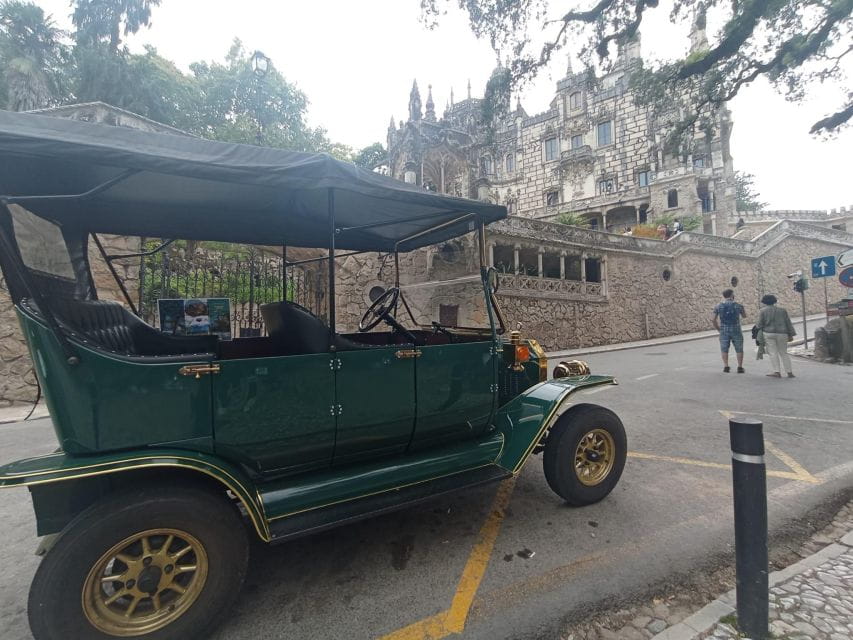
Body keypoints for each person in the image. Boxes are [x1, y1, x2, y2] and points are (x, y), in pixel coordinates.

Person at [755, 294, 796, 378]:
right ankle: (789, 372)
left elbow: (759, 325)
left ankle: (777, 372)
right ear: (774, 301)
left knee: (773, 353)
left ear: (764, 302)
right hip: (782, 333)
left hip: (768, 333)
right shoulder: (782, 310)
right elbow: (788, 323)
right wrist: (791, 334)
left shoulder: (762, 311)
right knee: (784, 352)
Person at [712, 289, 747, 373]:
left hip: (724, 330)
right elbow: (744, 316)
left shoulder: (718, 306)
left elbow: (713, 319)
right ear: (732, 295)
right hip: (736, 330)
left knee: (724, 348)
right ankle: (740, 367)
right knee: (739, 348)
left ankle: (726, 366)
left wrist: (718, 329)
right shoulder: (739, 305)